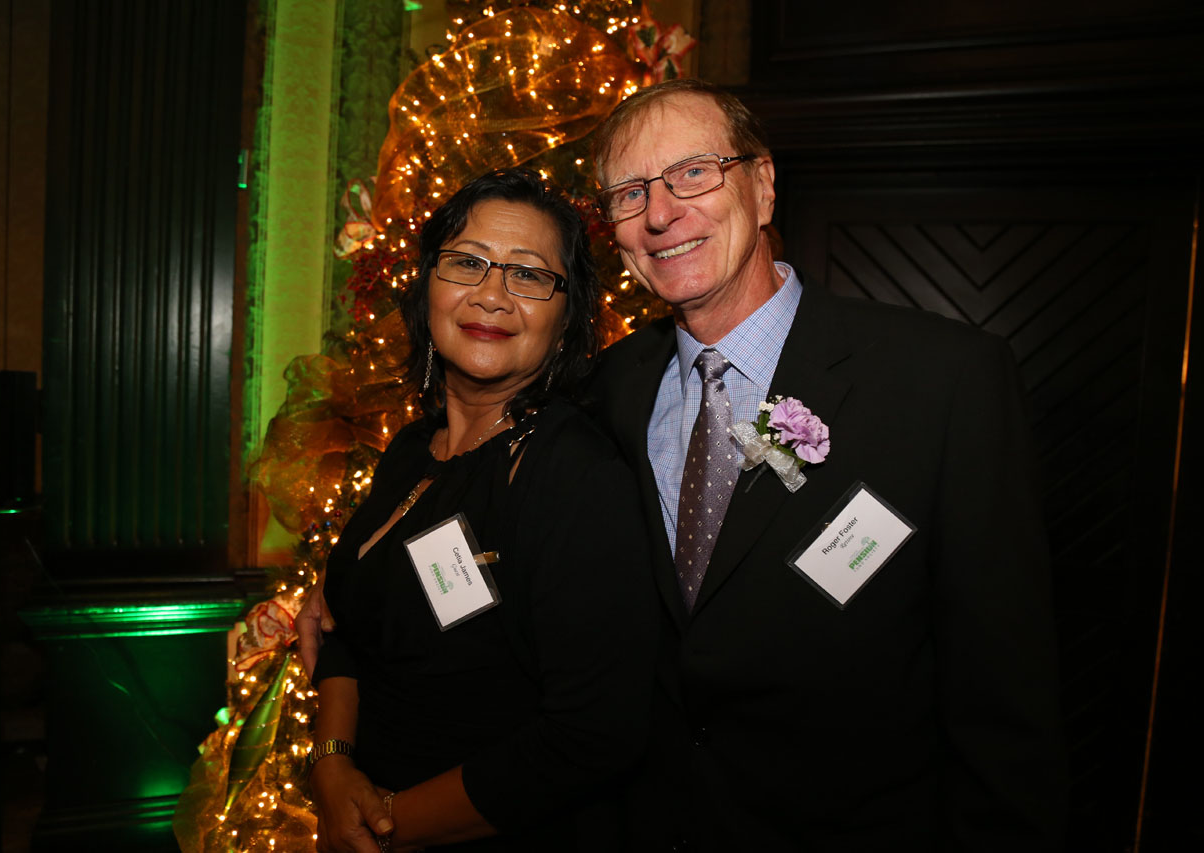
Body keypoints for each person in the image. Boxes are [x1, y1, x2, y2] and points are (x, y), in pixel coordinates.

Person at [587, 78, 1068, 850]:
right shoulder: (608, 389)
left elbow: (1003, 696)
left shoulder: (943, 382)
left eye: (692, 173)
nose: (660, 212)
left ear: (764, 185)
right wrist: (350, 611)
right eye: (628, 191)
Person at [298, 168, 656, 852]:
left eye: (528, 275)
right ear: (428, 284)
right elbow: (350, 624)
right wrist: (334, 763)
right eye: (466, 262)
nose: (490, 295)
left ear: (567, 318)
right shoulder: (411, 447)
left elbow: (592, 734)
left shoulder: (574, 474)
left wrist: (378, 826)